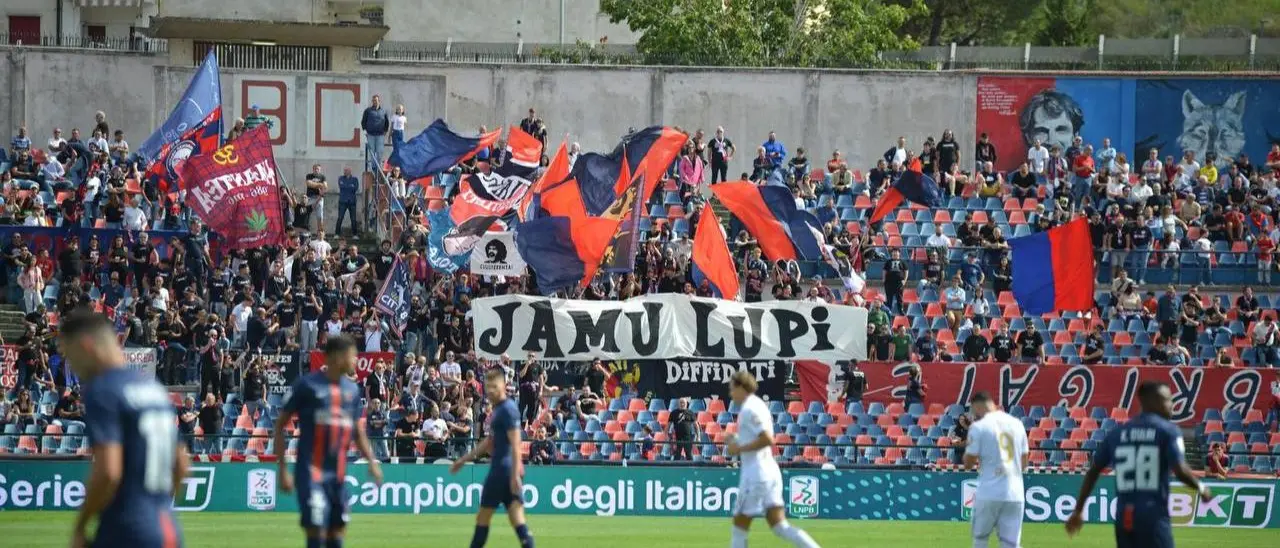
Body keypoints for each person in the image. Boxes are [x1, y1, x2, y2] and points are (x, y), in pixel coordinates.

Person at [58, 311, 189, 548]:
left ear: (87, 346)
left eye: (72, 356)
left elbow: (109, 471)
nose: (73, 367)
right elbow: (181, 463)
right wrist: (158, 507)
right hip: (167, 529)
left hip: (125, 529)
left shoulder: (103, 390)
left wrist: (80, 526)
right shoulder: (154, 389)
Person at [1065, 381, 1212, 546]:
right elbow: (1179, 470)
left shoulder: (1117, 433)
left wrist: (1078, 511)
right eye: (1167, 399)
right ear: (1151, 401)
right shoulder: (1168, 431)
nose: (1172, 405)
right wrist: (1201, 488)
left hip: (1124, 518)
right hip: (1153, 515)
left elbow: (1093, 472)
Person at [273, 335, 383, 548]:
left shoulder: (351, 390)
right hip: (310, 473)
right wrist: (283, 469)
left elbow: (357, 432)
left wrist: (372, 462)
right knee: (315, 530)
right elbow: (279, 427)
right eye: (353, 357)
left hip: (338, 476)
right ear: (336, 357)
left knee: (337, 531)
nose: (355, 362)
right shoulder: (306, 386)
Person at [726, 370, 821, 548]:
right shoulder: (758, 405)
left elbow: (767, 438)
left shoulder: (749, 409)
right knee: (779, 526)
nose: (731, 393)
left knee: (739, 526)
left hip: (756, 474)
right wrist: (736, 440)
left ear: (741, 387)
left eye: (732, 388)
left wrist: (738, 447)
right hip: (769, 471)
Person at [449, 368, 536, 548]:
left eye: (494, 387)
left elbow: (515, 443)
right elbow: (489, 442)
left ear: (504, 385)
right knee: (517, 520)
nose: (490, 391)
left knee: (483, 518)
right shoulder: (499, 409)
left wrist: (513, 477)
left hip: (502, 472)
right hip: (508, 472)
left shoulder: (508, 409)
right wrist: (464, 459)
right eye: (488, 387)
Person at [963, 391, 1029, 548]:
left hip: (989, 492)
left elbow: (968, 463)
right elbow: (1024, 461)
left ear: (977, 407)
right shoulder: (1017, 424)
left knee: (980, 539)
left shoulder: (978, 427)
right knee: (1011, 544)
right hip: (1015, 493)